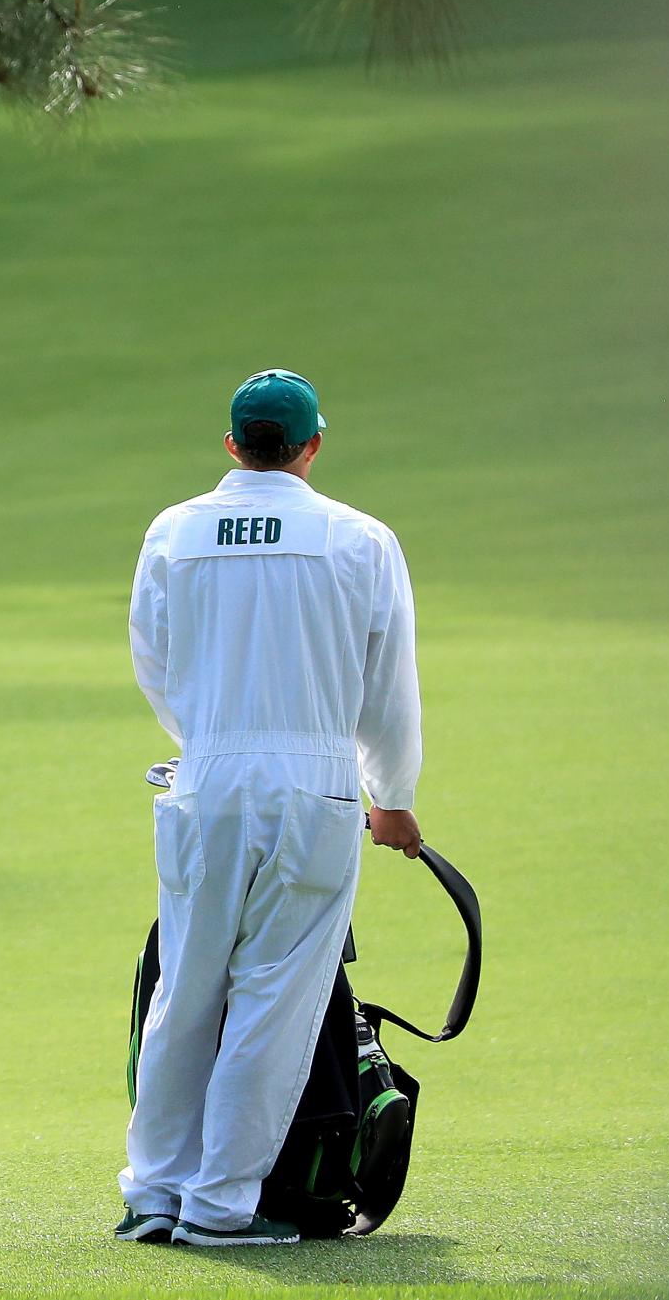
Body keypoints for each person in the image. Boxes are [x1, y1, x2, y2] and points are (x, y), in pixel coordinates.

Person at [115, 369, 423, 1248]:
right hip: (313, 787)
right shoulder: (361, 539)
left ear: (231, 445)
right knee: (273, 999)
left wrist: (212, 735)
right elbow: (387, 686)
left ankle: (156, 1191)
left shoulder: (174, 532)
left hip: (204, 779)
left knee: (188, 987)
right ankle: (220, 1206)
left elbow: (156, 660)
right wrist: (392, 797)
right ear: (313, 444)